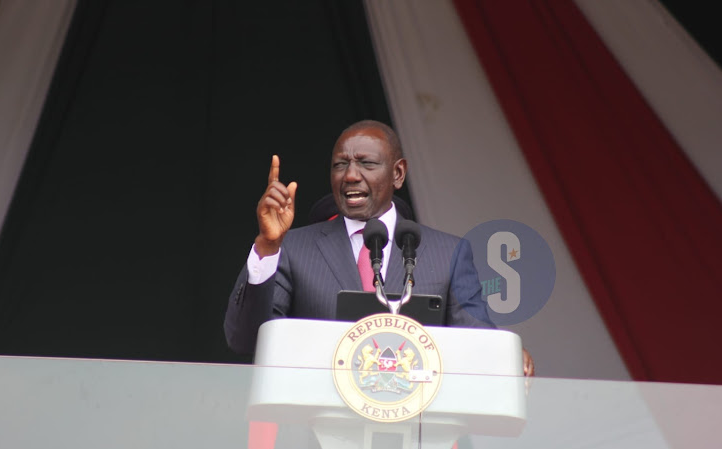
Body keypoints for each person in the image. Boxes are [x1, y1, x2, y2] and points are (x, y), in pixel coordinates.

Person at [224, 119, 533, 375]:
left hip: (417, 432)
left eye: (366, 163)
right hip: (315, 429)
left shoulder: (448, 253)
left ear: (397, 174)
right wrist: (267, 246)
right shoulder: (293, 249)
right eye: (340, 165)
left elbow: (476, 341)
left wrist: (505, 356)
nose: (350, 175)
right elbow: (246, 340)